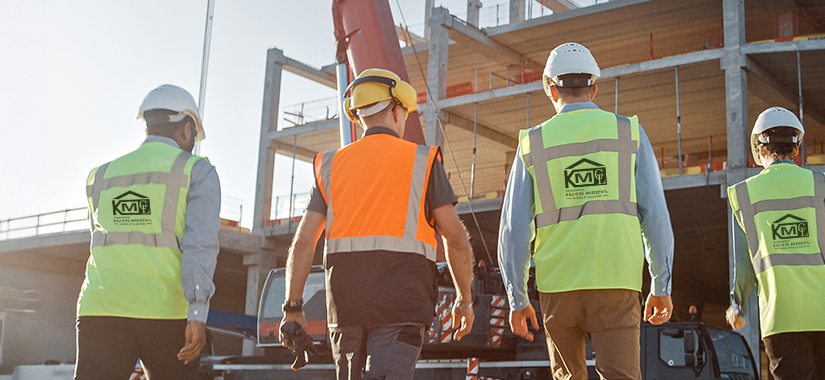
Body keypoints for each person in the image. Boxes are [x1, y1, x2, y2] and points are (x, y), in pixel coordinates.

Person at [279, 68, 475, 380]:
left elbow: (304, 242)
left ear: (358, 118)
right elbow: (455, 238)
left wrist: (293, 308)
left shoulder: (329, 166)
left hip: (345, 311)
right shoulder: (422, 161)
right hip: (403, 306)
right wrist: (464, 300)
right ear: (398, 110)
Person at [498, 42, 675, 380]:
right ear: (594, 87)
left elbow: (514, 231)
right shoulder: (629, 133)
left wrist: (517, 297)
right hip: (616, 281)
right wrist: (661, 285)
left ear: (550, 89)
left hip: (557, 286)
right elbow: (655, 216)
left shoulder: (532, 143)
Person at [76, 84, 221, 380]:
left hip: (100, 308)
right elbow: (199, 245)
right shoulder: (196, 171)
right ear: (187, 127)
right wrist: (197, 312)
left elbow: (99, 242)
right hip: (165, 314)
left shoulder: (100, 175)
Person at [726, 106, 825, 380]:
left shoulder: (743, 195)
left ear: (758, 147)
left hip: (783, 317)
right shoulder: (823, 184)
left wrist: (738, 306)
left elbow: (743, 266)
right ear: (796, 147)